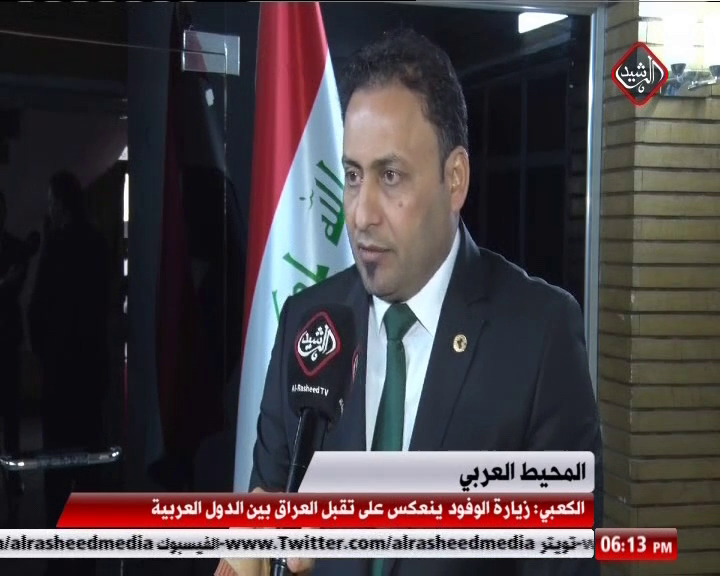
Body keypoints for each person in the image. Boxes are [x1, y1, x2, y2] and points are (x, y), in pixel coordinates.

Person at [226, 29, 603, 576]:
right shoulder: (308, 324)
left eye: (391, 176)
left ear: (455, 179)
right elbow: (265, 521)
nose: (361, 214)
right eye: (352, 175)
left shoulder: (538, 338)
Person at [29, 171, 109, 575]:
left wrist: (44, 357)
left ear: (59, 204)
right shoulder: (98, 245)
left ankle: (57, 553)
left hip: (61, 376)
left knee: (57, 468)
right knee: (89, 466)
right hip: (90, 373)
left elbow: (36, 311)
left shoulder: (56, 246)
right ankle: (88, 552)